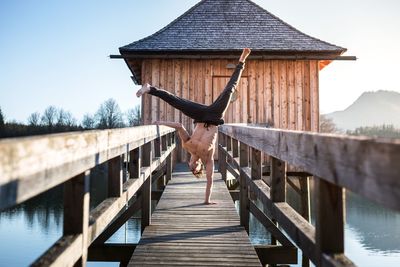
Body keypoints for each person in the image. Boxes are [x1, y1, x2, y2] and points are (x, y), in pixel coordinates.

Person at [136, 48, 251, 204]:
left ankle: (150, 89)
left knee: (177, 102)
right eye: (196, 168)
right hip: (216, 116)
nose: (193, 166)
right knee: (229, 90)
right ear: (200, 166)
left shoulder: (187, 146)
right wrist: (207, 201)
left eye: (192, 168)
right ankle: (242, 60)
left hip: (201, 115)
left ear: (189, 163)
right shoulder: (208, 158)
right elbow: (209, 180)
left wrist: (161, 122)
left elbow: (178, 125)